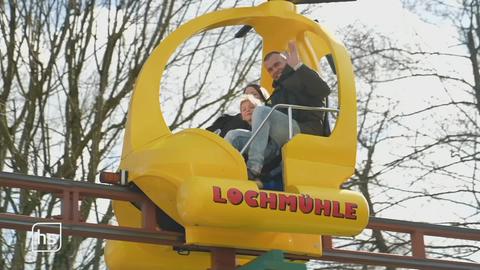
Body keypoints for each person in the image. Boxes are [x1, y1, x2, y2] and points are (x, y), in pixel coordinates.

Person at [244, 40, 331, 180]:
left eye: (277, 64)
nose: (274, 70)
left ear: (287, 60)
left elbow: (324, 90)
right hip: (283, 135)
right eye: (270, 69)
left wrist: (298, 66)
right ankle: (230, 173)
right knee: (235, 135)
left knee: (261, 111)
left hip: (305, 130)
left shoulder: (302, 76)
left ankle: (254, 168)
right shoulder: (277, 93)